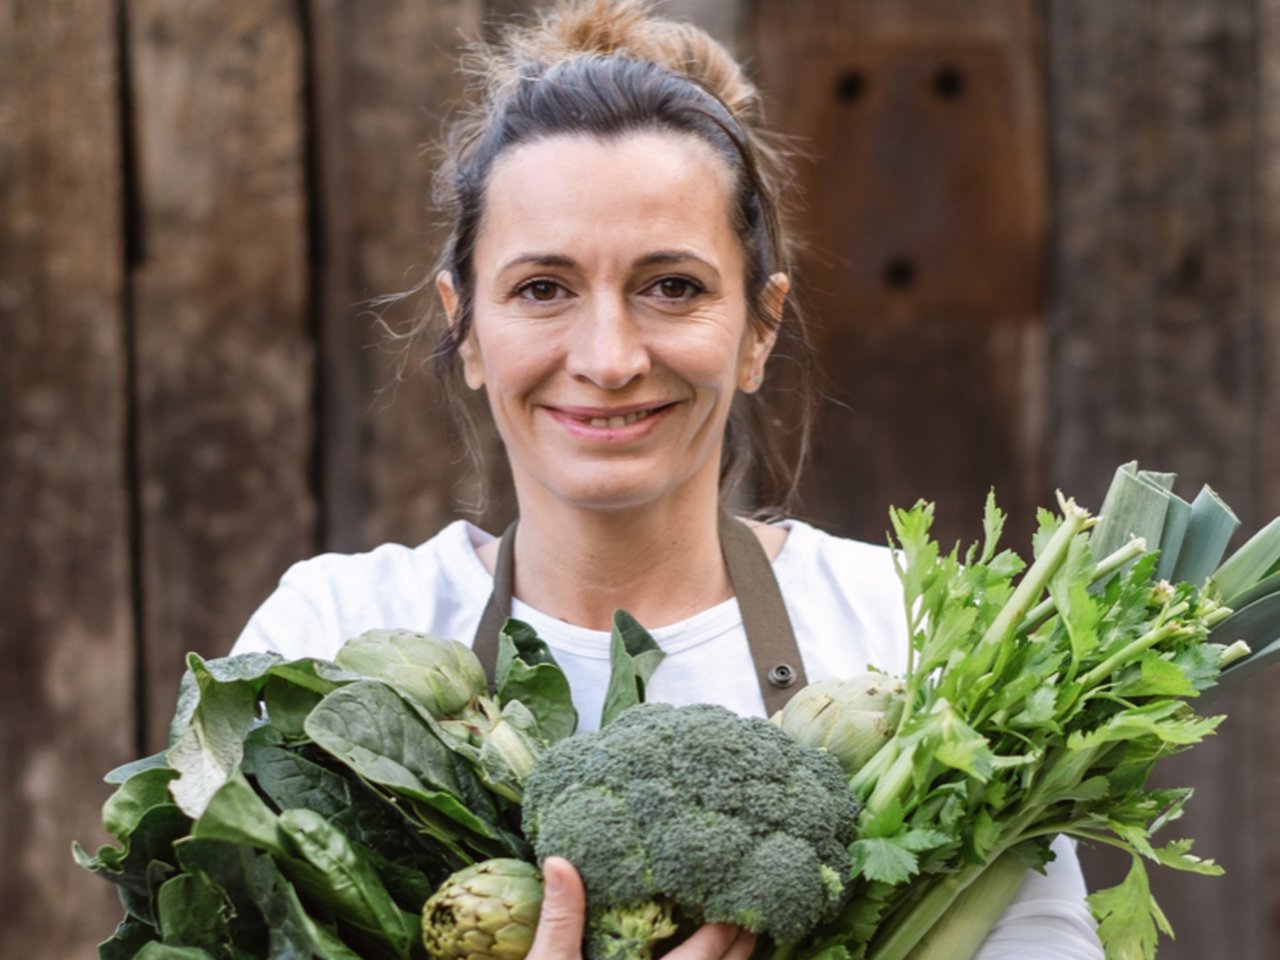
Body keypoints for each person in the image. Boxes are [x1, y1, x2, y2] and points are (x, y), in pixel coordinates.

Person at [233, 2, 1104, 958]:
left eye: (672, 287)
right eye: (542, 289)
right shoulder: (325, 641)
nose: (608, 358)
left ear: (759, 328)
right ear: (467, 327)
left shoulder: (922, 639)